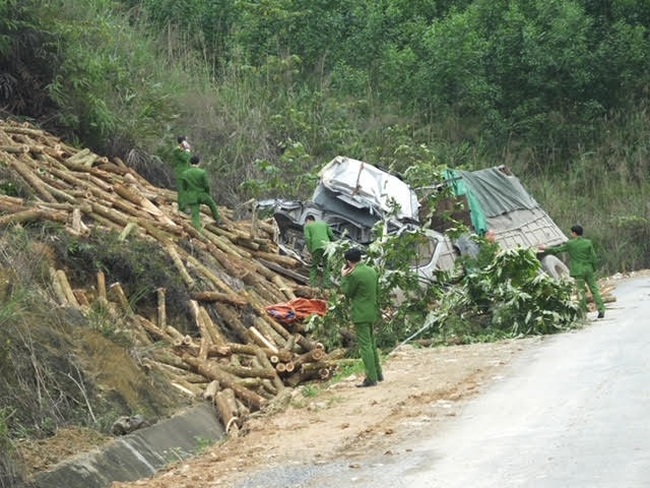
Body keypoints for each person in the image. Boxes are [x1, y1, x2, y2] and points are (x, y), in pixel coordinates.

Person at [539, 224, 605, 318]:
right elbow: (594, 258)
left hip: (578, 271)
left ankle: (583, 313)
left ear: (574, 233)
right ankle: (601, 310)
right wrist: (593, 268)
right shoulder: (588, 242)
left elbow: (556, 250)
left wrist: (545, 248)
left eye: (571, 232)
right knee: (594, 290)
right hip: (588, 269)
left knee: (581, 291)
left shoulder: (570, 244)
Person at [340, 248, 383, 387]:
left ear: (348, 262)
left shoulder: (354, 275)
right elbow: (377, 291)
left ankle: (371, 378)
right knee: (371, 343)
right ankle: (378, 374)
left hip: (360, 313)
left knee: (365, 346)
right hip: (372, 311)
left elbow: (347, 292)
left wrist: (344, 277)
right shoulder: (372, 271)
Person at [178, 155, 222, 231]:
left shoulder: (185, 173)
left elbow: (183, 187)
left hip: (192, 196)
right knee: (212, 205)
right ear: (199, 163)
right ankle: (217, 219)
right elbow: (206, 185)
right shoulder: (202, 172)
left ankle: (197, 231)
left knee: (195, 215)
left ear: (190, 163)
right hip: (202, 194)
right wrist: (208, 193)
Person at [304, 215, 335, 288]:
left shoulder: (308, 227)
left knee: (314, 265)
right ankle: (326, 285)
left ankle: (312, 285)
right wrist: (330, 244)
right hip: (327, 246)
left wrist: (310, 251)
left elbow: (307, 239)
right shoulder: (324, 224)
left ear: (307, 220)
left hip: (316, 246)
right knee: (326, 266)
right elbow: (331, 236)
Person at [172, 136, 192, 211]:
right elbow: (185, 158)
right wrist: (187, 150)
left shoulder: (182, 150)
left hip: (186, 173)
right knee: (182, 191)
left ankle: (186, 206)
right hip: (181, 173)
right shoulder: (177, 150)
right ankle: (182, 207)